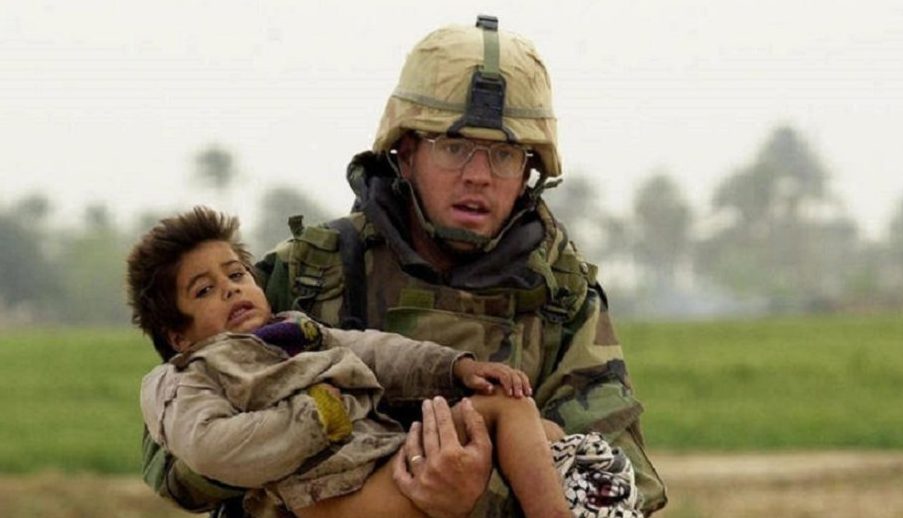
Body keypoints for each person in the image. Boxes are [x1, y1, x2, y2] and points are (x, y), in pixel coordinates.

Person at [142, 15, 668, 517]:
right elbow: (170, 463)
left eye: (504, 155)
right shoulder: (306, 274)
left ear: (530, 170)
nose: (478, 175)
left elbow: (622, 483)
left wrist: (475, 493)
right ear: (406, 152)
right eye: (454, 147)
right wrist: (311, 426)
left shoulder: (559, 297)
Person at [128, 207, 578, 518]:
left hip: (380, 461)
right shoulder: (184, 375)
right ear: (178, 335)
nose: (230, 288)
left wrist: (455, 368)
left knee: (540, 430)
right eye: (204, 290)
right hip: (335, 496)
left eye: (236, 274)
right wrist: (320, 415)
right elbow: (210, 447)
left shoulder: (295, 331)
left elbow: (378, 352)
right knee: (508, 416)